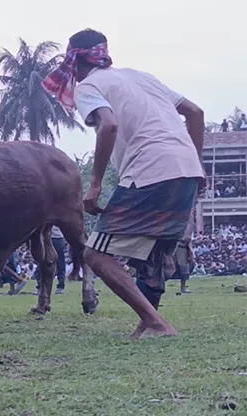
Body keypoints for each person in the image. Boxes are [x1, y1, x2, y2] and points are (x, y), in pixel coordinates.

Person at [43, 28, 205, 339]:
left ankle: (157, 324)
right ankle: (147, 327)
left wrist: (94, 185)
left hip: (150, 170)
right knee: (156, 255)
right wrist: (195, 163)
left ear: (73, 61)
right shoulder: (140, 77)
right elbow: (195, 114)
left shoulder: (88, 86)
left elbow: (109, 125)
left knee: (95, 255)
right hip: (185, 168)